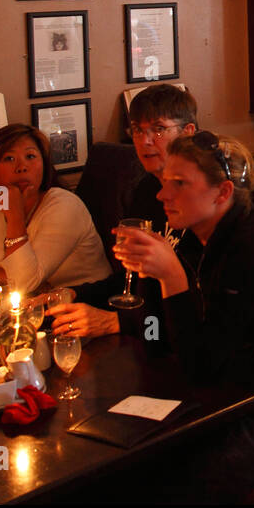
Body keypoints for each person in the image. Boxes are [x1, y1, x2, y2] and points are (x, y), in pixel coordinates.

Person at [113, 132, 254, 499]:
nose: (161, 195)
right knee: (126, 458)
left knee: (176, 479)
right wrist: (151, 276)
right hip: (231, 394)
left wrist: (172, 276)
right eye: (164, 182)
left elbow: (200, 367)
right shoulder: (191, 237)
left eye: (179, 184)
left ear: (223, 193)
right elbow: (156, 345)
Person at [50, 84, 198, 338]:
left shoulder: (205, 203)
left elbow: (198, 312)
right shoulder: (146, 189)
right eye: (138, 130)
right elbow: (135, 283)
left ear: (188, 133)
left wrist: (118, 322)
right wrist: (77, 293)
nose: (145, 140)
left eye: (159, 129)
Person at [0, 124, 110, 293]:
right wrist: (9, 280)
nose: (22, 167)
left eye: (30, 156)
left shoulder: (65, 206)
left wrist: (15, 218)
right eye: (9, 159)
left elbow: (22, 283)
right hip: (27, 310)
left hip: (86, 308)